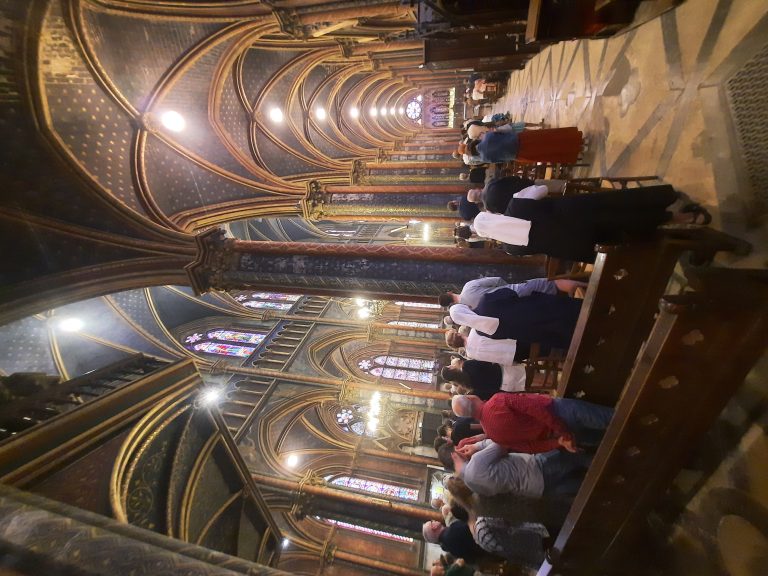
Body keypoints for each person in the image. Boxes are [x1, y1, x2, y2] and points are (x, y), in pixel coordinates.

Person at [474, 180, 708, 263]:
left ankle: (676, 236)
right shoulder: (516, 205)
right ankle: (686, 217)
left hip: (584, 248)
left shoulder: (511, 248)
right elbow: (542, 189)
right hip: (582, 214)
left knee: (625, 233)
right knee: (622, 211)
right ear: (492, 215)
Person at [452, 393, 614, 454]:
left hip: (559, 437)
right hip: (559, 413)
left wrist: (558, 442)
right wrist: (561, 430)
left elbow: (530, 447)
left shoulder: (493, 436)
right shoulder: (496, 401)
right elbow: (534, 408)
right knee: (611, 419)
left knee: (609, 439)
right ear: (471, 397)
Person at [438, 441, 591, 498]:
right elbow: (501, 444)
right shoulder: (476, 462)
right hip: (538, 468)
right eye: (457, 448)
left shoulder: (471, 485)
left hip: (536, 490)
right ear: (454, 455)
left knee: (585, 486)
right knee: (580, 458)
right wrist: (477, 446)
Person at [439, 276, 585, 309]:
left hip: (516, 309)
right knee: (552, 284)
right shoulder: (468, 287)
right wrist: (508, 288)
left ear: (450, 305)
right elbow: (496, 280)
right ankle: (588, 286)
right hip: (516, 291)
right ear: (449, 292)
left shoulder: (468, 310)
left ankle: (581, 304)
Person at [469, 126, 583, 164]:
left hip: (518, 154)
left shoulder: (485, 158)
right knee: (548, 137)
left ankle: (575, 153)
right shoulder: (487, 136)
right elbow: (504, 131)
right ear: (475, 142)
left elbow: (501, 161)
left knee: (547, 153)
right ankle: (577, 139)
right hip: (520, 139)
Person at [441, 358, 526, 398]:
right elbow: (486, 363)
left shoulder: (467, 386)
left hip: (505, 386)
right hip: (504, 372)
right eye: (449, 366)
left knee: (528, 385)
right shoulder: (467, 366)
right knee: (529, 374)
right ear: (450, 369)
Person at [445, 328, 520, 363]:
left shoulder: (470, 355)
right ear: (458, 334)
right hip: (512, 345)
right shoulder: (474, 332)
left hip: (508, 359)